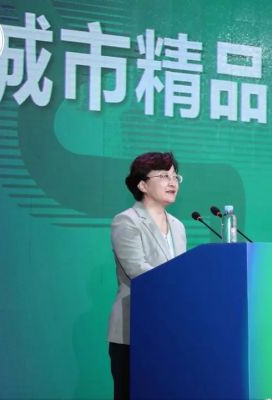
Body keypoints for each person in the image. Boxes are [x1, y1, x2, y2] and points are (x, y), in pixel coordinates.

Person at [107, 152, 186, 400]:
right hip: (134, 330)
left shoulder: (178, 226)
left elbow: (182, 271)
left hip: (170, 330)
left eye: (175, 176)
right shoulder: (126, 221)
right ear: (142, 185)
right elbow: (138, 271)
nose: (172, 182)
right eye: (164, 176)